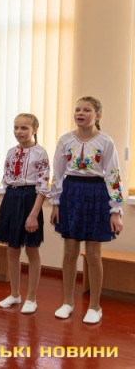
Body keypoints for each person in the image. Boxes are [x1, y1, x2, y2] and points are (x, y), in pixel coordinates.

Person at [50, 96, 124, 324]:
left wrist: (115, 210)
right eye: (78, 109)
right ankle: (67, 302)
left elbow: (113, 175)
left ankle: (95, 306)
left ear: (97, 115)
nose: (80, 113)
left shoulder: (106, 141)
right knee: (70, 252)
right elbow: (58, 173)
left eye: (86, 110)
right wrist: (56, 203)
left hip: (96, 194)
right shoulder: (65, 140)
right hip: (71, 193)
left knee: (93, 254)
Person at [0, 114, 50, 314]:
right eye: (16, 127)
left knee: (32, 250)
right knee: (12, 249)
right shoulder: (11, 152)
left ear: (34, 129)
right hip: (11, 198)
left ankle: (31, 298)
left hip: (29, 199)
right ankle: (14, 294)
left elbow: (43, 186)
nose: (19, 132)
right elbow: (7, 178)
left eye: (24, 128)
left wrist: (33, 214)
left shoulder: (40, 153)